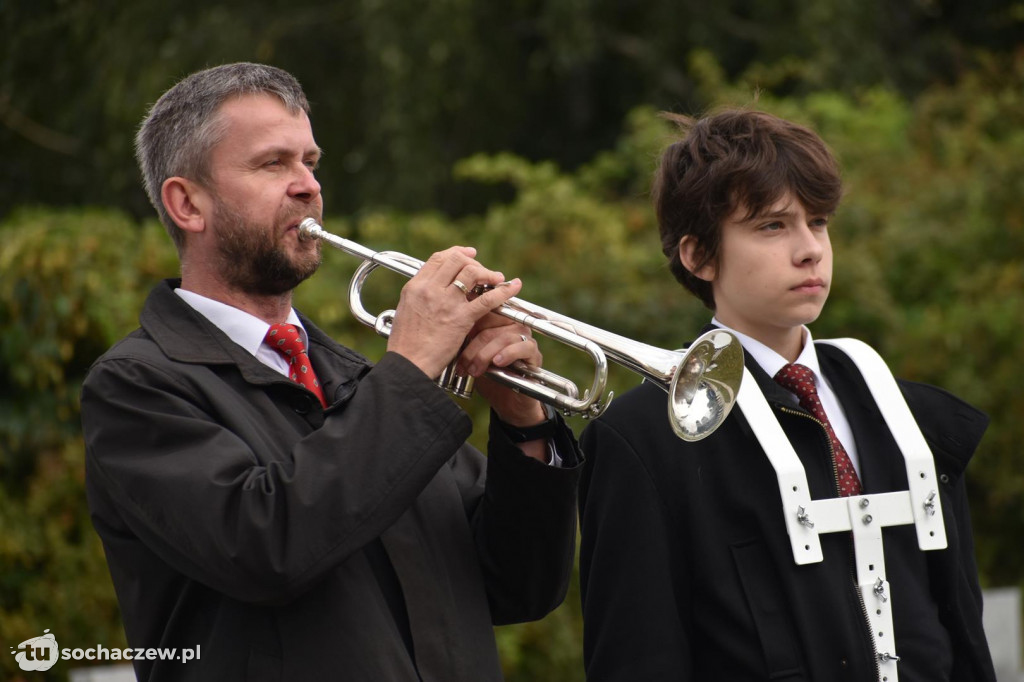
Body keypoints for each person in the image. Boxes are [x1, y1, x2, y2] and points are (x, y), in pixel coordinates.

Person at [81, 62, 582, 681]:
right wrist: (415, 364)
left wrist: (522, 423)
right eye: (273, 164)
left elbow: (519, 588)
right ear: (188, 203)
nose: (308, 186)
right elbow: (265, 548)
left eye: (311, 162)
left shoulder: (363, 381)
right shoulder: (136, 387)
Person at [577, 109, 996, 681]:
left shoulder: (901, 411)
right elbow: (637, 659)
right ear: (697, 255)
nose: (810, 250)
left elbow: (961, 635)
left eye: (818, 222)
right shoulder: (642, 439)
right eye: (772, 226)